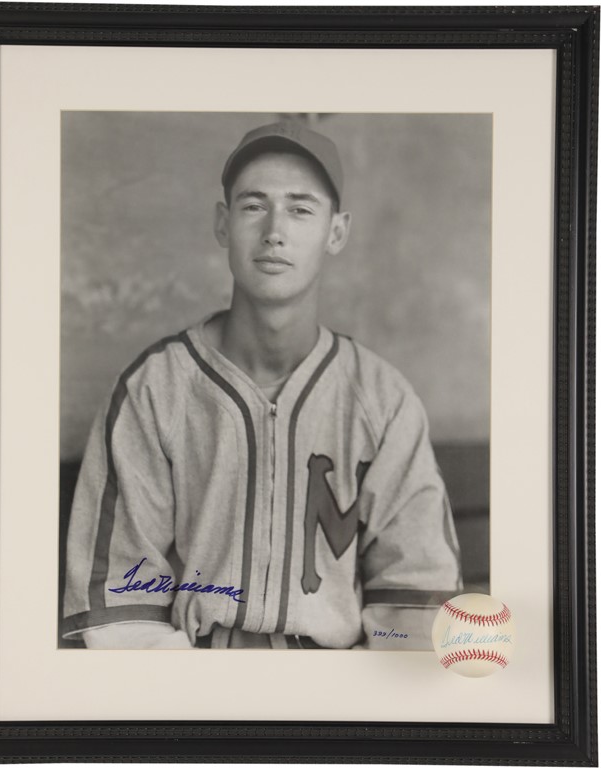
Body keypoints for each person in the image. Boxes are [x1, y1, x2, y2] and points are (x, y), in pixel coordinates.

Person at [62, 120, 462, 650]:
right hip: (193, 692)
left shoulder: (383, 401)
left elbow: (415, 603)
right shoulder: (154, 388)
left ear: (336, 232)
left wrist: (363, 694)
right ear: (223, 225)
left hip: (336, 696)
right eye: (254, 205)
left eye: (301, 208)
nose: (275, 229)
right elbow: (118, 603)